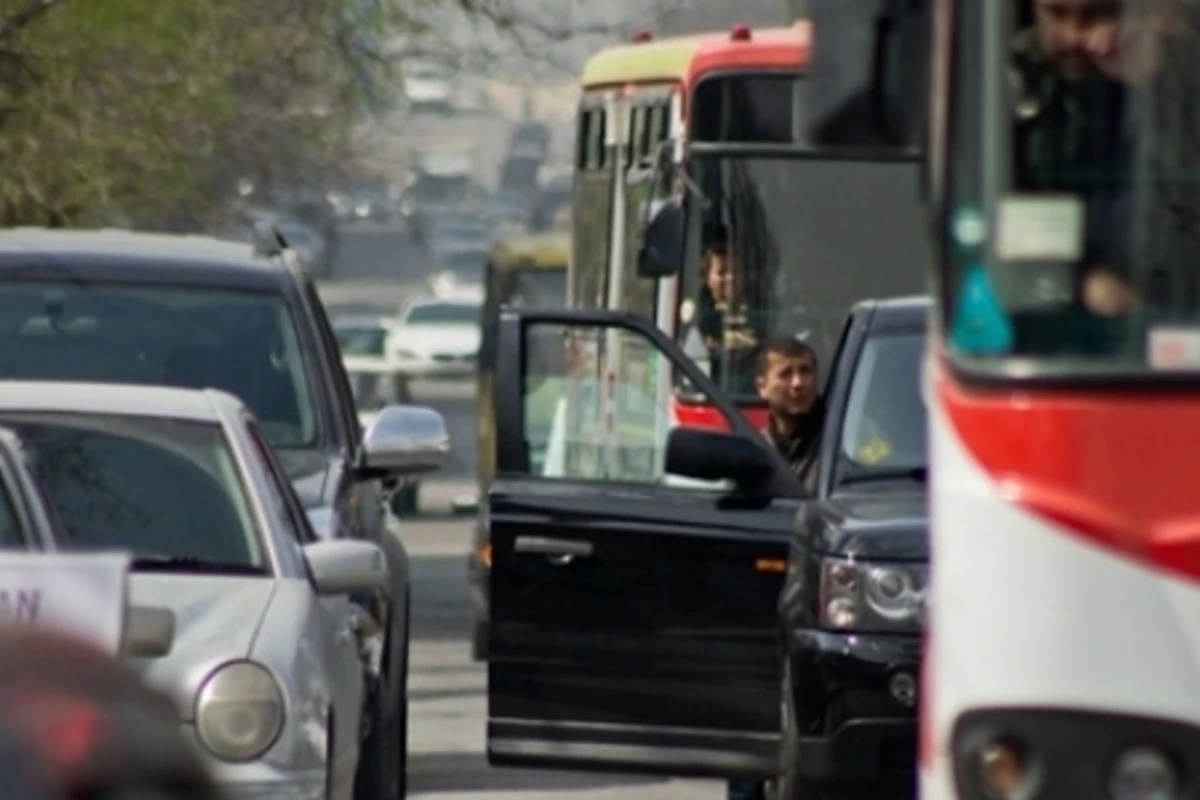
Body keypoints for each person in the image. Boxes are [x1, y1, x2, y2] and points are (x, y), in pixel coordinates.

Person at [727, 337, 824, 800]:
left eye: (805, 371)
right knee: (749, 739)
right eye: (786, 374)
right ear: (762, 385)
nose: (798, 383)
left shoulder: (842, 449)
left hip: (822, 609)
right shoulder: (750, 455)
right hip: (759, 612)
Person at [696, 228, 760, 393]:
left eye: (737, 271)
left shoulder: (760, 314)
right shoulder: (701, 317)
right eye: (722, 272)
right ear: (707, 278)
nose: (731, 278)